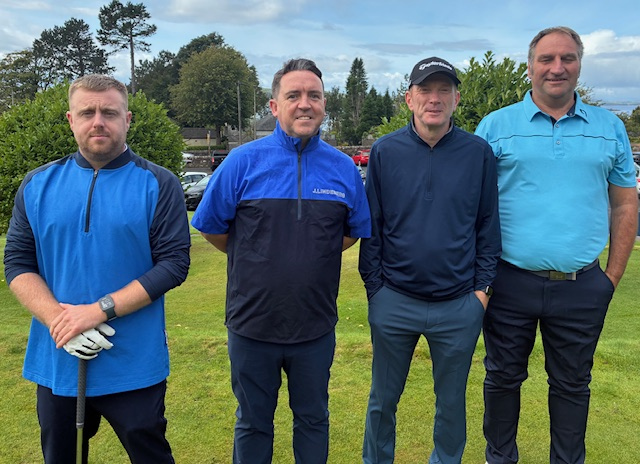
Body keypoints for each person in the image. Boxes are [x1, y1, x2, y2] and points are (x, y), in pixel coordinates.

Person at [3, 74, 191, 463]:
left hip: (134, 361)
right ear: (71, 120)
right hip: (59, 358)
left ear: (128, 119)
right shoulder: (37, 184)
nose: (98, 122)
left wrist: (97, 311)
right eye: (87, 112)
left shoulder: (159, 183)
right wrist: (60, 321)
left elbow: (173, 264)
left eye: (110, 112)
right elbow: (18, 263)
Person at [191, 58, 371, 464]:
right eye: (293, 95)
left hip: (315, 327)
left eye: (314, 95)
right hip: (252, 326)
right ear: (274, 106)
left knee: (313, 419)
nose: (305, 103)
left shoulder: (343, 169)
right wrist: (255, 253)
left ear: (324, 105)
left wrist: (307, 252)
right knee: (253, 423)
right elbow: (213, 229)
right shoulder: (242, 162)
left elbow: (349, 233)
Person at [475, 26, 638, 464]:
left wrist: (611, 278)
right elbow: (474, 206)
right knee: (502, 379)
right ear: (530, 66)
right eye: (546, 59)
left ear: (579, 65)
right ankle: (499, 458)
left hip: (582, 285)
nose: (557, 67)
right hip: (509, 281)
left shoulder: (609, 128)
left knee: (572, 385)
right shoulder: (496, 126)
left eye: (567, 58)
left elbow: (625, 203)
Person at [359, 57, 501, 464]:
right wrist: (376, 290)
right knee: (382, 401)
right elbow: (373, 227)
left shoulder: (478, 153)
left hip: (458, 305)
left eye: (444, 91)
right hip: (394, 300)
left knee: (451, 405)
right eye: (425, 90)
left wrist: (481, 292)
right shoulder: (385, 151)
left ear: (457, 99)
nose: (434, 99)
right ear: (409, 98)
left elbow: (488, 226)